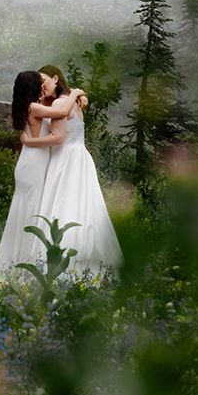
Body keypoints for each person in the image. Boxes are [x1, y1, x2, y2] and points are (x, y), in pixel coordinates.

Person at [0, 70, 85, 274]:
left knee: (25, 212)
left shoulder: (28, 106)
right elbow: (61, 113)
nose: (42, 85)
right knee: (31, 214)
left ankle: (16, 263)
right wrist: (74, 93)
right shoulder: (34, 107)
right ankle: (20, 265)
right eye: (39, 82)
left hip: (30, 161)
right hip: (34, 164)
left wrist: (80, 95)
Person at [34, 64, 122, 271]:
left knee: (63, 207)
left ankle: (61, 263)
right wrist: (78, 93)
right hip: (81, 157)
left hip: (64, 159)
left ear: (55, 78)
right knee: (84, 209)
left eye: (43, 81)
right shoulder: (71, 101)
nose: (41, 86)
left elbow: (56, 136)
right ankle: (90, 261)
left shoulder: (60, 103)